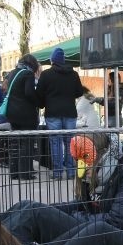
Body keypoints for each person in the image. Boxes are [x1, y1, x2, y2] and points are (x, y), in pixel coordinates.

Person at [36, 48, 85, 180]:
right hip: (70, 112)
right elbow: (80, 92)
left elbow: (39, 94)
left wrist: (44, 101)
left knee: (55, 142)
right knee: (70, 142)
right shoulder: (73, 74)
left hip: (52, 113)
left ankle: (57, 172)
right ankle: (70, 172)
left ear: (52, 60)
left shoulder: (46, 75)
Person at [4, 54, 41, 180]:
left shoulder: (12, 73)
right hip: (25, 114)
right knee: (27, 143)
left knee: (15, 142)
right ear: (32, 64)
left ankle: (14, 173)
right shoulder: (27, 74)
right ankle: (25, 173)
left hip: (12, 114)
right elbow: (29, 92)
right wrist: (38, 102)